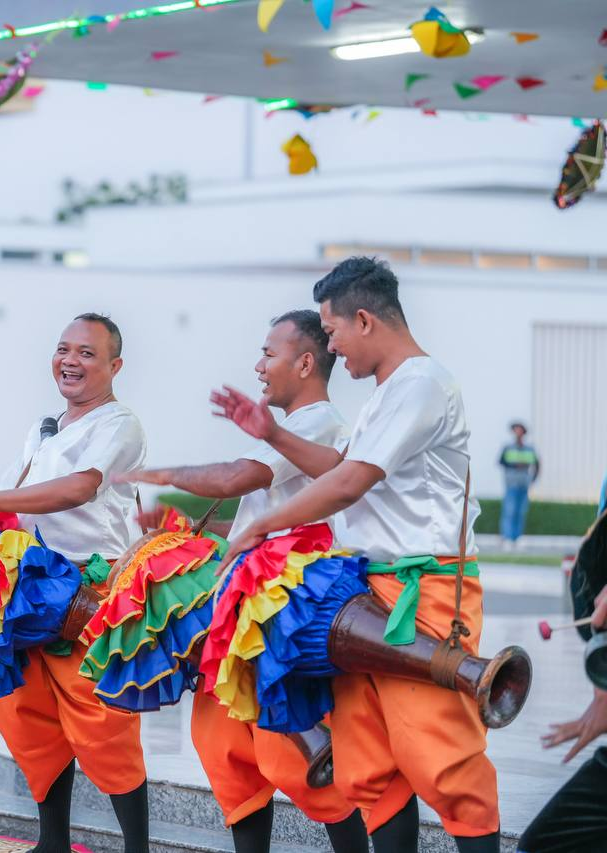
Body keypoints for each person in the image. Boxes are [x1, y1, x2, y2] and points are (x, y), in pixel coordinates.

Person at [214, 257, 499, 853]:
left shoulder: (421, 383)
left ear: (364, 320)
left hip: (426, 591)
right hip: (369, 595)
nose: (332, 346)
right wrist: (272, 433)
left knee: (443, 761)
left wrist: (261, 524)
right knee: (370, 769)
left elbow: (348, 483)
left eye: (333, 330)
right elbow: (343, 468)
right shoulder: (388, 393)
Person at [119, 311, 366, 853]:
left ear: (306, 363)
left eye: (269, 354)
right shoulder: (291, 430)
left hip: (276, 616)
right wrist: (185, 527)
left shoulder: (320, 424)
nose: (258, 366)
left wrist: (163, 475)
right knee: (226, 751)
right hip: (241, 612)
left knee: (291, 756)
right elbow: (256, 521)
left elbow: (238, 478)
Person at [0, 314, 151, 853]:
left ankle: (138, 848)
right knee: (29, 720)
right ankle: (53, 843)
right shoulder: (43, 428)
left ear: (115, 366)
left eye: (87, 353)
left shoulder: (120, 424)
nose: (70, 361)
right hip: (25, 588)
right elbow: (8, 504)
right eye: (63, 349)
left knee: (103, 722)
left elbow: (78, 488)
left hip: (87, 591)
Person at [499, 422, 540, 547]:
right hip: (512, 484)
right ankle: (507, 537)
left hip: (524, 484)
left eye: (520, 430)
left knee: (520, 511)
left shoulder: (529, 449)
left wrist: (533, 479)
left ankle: (517, 537)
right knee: (509, 511)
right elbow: (501, 462)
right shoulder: (508, 447)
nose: (518, 433)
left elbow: (537, 464)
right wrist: (514, 465)